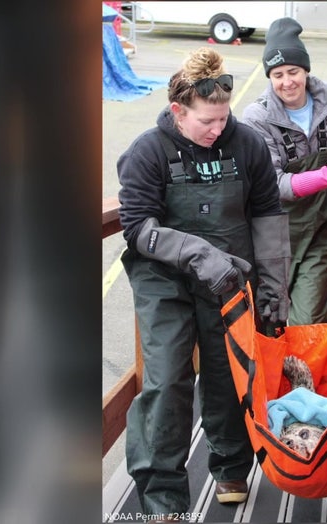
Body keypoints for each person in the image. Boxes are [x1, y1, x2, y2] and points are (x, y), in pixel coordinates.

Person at [117, 47, 291, 520]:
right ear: (177, 111)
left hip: (229, 279)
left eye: (224, 118)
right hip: (164, 279)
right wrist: (198, 252)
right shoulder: (148, 153)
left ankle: (232, 465)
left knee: (226, 371)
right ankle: (163, 498)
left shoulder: (247, 146)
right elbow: (137, 227)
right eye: (206, 122)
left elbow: (269, 218)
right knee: (168, 377)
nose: (218, 130)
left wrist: (275, 290)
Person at [242, 17, 327, 326]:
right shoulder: (256, 118)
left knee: (308, 319)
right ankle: (272, 375)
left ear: (306, 70)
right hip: (272, 237)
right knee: (270, 317)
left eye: (293, 71)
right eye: (278, 74)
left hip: (317, 229)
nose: (287, 82)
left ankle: (307, 374)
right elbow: (275, 184)